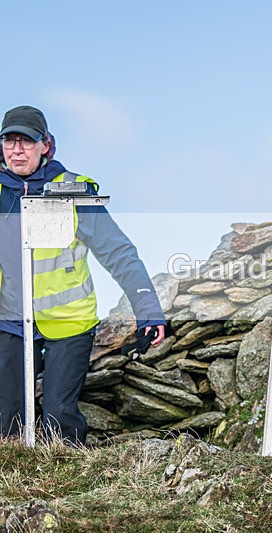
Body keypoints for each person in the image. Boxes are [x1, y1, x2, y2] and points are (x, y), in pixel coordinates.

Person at [0, 105, 166, 445]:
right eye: (9, 140)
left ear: (45, 145)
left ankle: (65, 487)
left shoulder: (72, 191)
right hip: (10, 320)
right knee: (8, 421)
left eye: (26, 142)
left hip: (69, 322)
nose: (17, 150)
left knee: (58, 417)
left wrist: (149, 311)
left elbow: (119, 252)